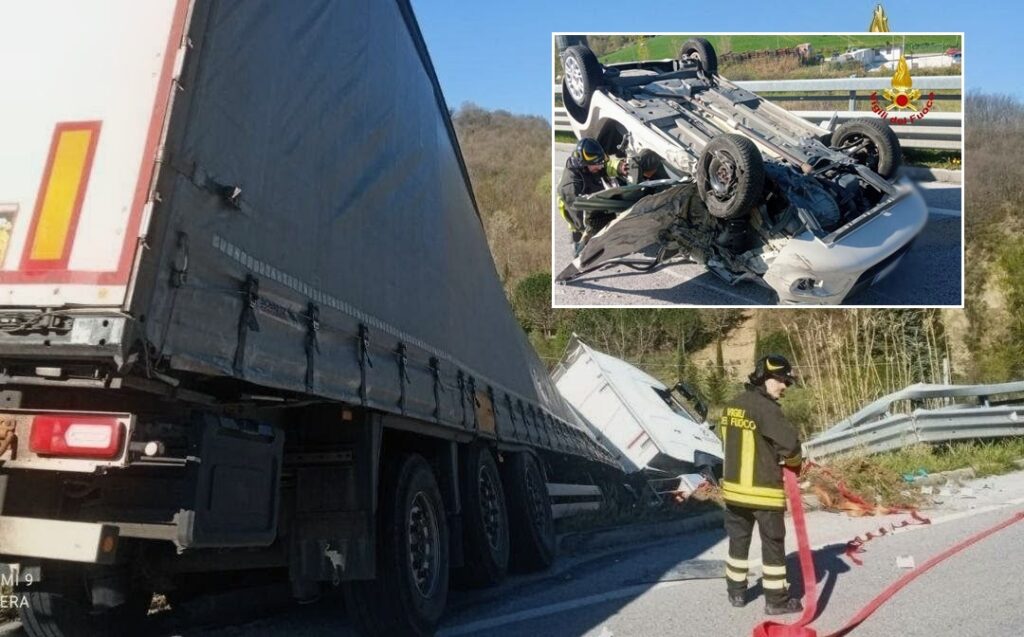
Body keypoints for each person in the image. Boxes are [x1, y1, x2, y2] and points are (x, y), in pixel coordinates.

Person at [719, 354, 804, 615]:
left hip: (733, 493)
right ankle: (777, 601)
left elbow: (726, 441)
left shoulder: (732, 406)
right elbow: (790, 446)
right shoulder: (767, 409)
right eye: (782, 381)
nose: (785, 387)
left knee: (737, 543)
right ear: (766, 378)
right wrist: (794, 462)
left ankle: (736, 593)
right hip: (763, 492)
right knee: (773, 544)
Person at [557, 138, 627, 253]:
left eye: (600, 163)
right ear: (584, 164)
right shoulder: (570, 187)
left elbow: (605, 166)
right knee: (584, 249)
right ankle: (579, 248)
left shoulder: (589, 165)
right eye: (596, 165)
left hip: (591, 200)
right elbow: (579, 218)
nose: (600, 167)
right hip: (576, 213)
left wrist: (619, 167)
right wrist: (593, 233)